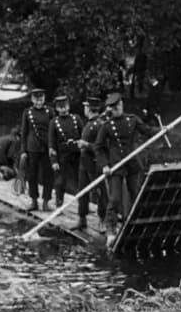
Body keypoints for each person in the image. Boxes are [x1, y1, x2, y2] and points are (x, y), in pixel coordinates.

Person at [95, 92, 158, 248]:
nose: (116, 110)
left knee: (136, 195)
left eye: (118, 106)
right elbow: (99, 147)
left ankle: (137, 225)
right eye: (113, 108)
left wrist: (163, 129)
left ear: (122, 105)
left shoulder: (132, 119)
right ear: (109, 109)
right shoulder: (107, 126)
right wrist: (104, 165)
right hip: (115, 166)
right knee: (115, 199)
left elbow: (147, 130)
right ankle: (111, 230)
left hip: (132, 163)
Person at [72, 97, 108, 232]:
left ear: (89, 108)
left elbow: (102, 147)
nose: (84, 109)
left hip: (95, 164)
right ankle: (82, 218)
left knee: (100, 192)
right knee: (82, 191)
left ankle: (102, 220)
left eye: (86, 107)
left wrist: (86, 145)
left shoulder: (100, 125)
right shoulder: (89, 123)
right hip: (84, 163)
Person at [20, 88, 55, 212]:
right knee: (32, 175)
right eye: (36, 99)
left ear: (44, 99)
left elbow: (53, 130)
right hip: (32, 148)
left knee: (48, 175)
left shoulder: (50, 111)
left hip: (46, 148)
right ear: (32, 99)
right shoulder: (27, 112)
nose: (39, 101)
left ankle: (46, 202)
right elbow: (24, 132)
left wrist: (53, 147)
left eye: (41, 99)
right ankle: (34, 201)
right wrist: (23, 151)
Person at [48, 95, 84, 207]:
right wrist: (54, 161)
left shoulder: (76, 118)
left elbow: (84, 135)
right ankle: (59, 202)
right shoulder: (54, 122)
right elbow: (51, 143)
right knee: (60, 181)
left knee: (81, 179)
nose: (63, 109)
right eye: (60, 107)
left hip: (77, 154)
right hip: (62, 155)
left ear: (68, 106)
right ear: (57, 108)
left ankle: (83, 204)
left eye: (65, 106)